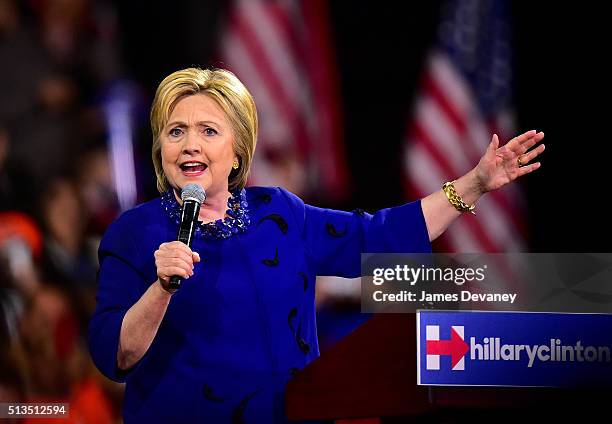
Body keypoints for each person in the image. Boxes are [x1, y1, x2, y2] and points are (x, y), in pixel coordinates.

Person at [88, 68, 544, 423]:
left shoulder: (281, 215)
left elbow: (380, 234)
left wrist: (475, 184)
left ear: (238, 150)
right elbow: (115, 355)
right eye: (175, 131)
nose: (189, 145)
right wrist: (161, 289)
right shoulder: (134, 232)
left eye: (208, 131)